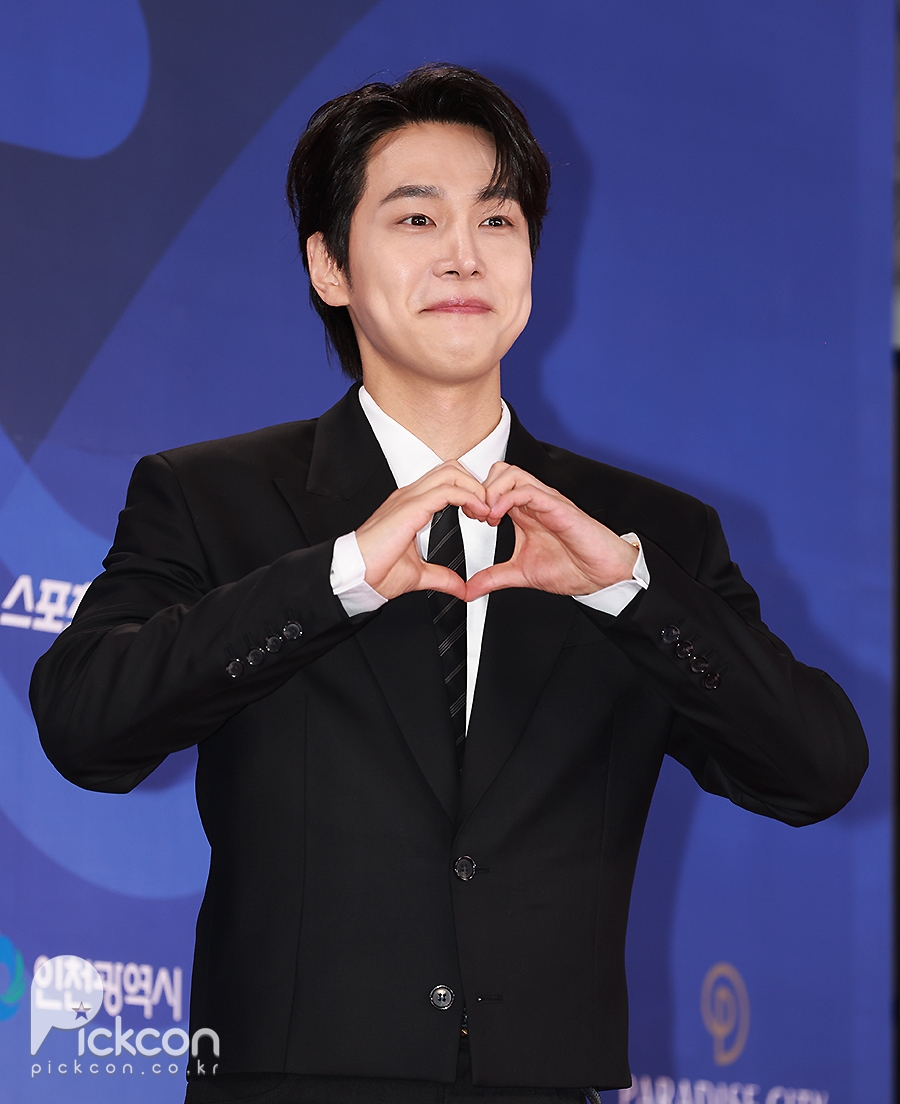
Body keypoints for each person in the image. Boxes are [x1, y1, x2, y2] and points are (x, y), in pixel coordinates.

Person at [30, 64, 867, 1103]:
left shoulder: (645, 537)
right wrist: (337, 577)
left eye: (497, 220)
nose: (464, 254)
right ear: (330, 266)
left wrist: (629, 594)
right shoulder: (210, 497)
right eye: (417, 218)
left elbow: (816, 770)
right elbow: (84, 724)